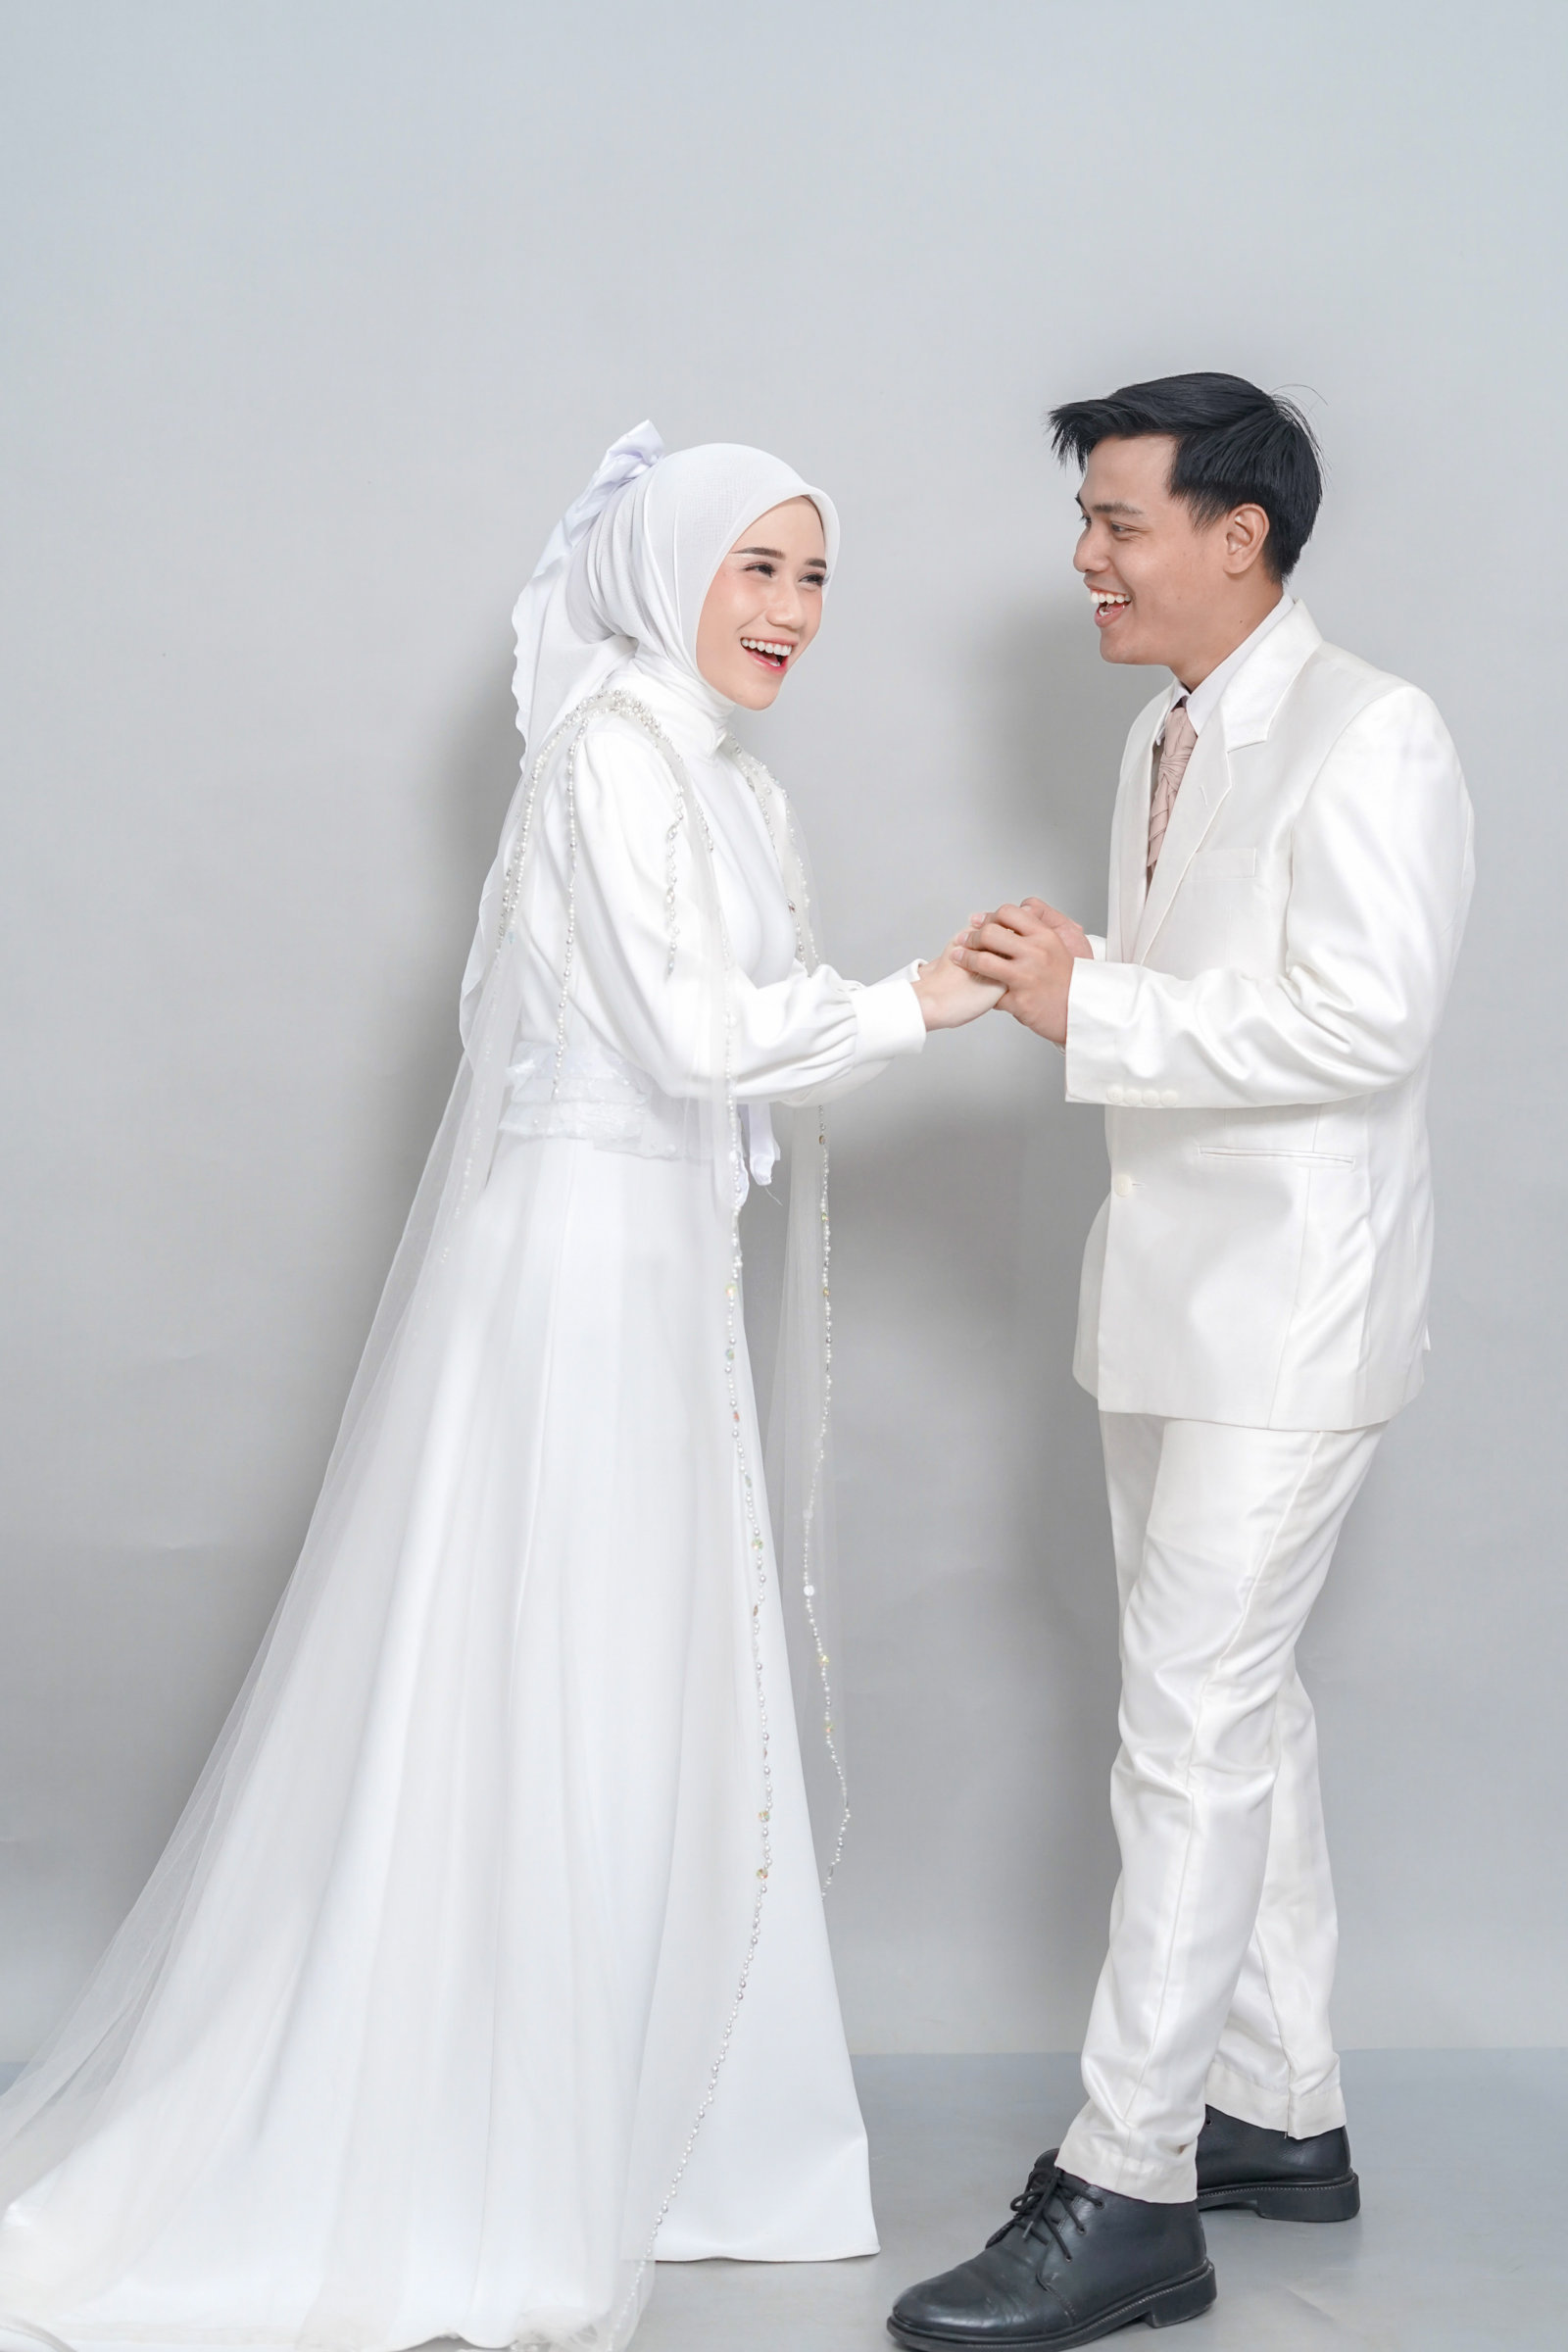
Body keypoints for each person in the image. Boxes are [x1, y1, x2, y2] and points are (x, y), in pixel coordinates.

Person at [0, 425, 997, 2352]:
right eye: (758, 565)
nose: (793, 610)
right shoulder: (611, 752)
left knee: (652, 1669)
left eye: (814, 576)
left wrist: (878, 1005)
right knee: (569, 1657)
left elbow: (720, 1044)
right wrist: (916, 1001)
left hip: (654, 1271)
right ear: (666, 568)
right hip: (578, 1276)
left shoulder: (724, 781)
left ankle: (678, 2139)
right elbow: (691, 1034)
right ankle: (498, 2148)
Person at [890, 374, 1474, 2346]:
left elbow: (1367, 1021)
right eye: (1087, 521)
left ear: (1240, 536)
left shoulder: (1374, 728)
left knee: (1190, 1730)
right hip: (1166, 1296)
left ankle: (1129, 2179)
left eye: (1118, 521)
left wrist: (1101, 1007)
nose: (1085, 558)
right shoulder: (1165, 724)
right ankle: (1275, 2110)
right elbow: (1223, 999)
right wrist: (1089, 982)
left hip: (1290, 1315)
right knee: (1235, 1714)